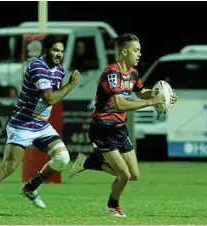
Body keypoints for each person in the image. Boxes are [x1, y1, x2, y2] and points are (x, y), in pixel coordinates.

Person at [0, 34, 82, 211]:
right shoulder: (37, 68)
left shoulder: (59, 70)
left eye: (62, 51)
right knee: (9, 166)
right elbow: (49, 98)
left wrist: (66, 85)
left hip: (41, 125)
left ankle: (30, 188)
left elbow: (50, 98)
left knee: (63, 158)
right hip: (22, 125)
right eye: (56, 50)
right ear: (46, 50)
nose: (59, 54)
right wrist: (71, 85)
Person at [68, 33, 178, 217]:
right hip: (103, 129)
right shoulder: (113, 72)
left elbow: (141, 92)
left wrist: (163, 96)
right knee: (124, 175)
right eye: (136, 50)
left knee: (134, 175)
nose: (140, 54)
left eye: (140, 50)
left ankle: (87, 162)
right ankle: (113, 207)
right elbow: (120, 104)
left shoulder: (133, 73)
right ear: (124, 52)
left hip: (119, 128)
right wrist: (152, 102)